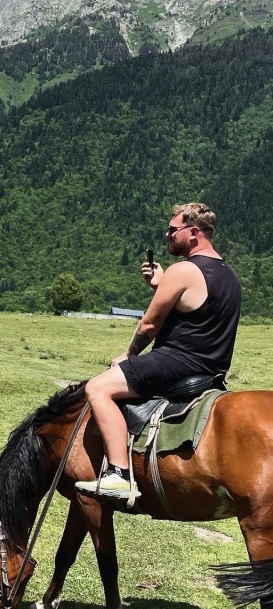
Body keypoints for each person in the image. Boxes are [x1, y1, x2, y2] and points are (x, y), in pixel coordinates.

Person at [75, 202, 241, 500]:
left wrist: (129, 356)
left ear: (193, 232)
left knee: (98, 388)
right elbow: (195, 311)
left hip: (176, 363)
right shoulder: (228, 274)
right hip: (211, 371)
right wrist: (160, 285)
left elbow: (149, 325)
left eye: (173, 229)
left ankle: (118, 474)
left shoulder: (184, 270)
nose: (167, 235)